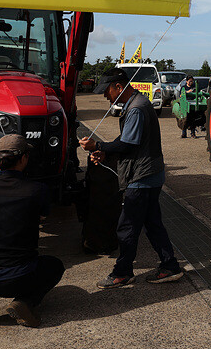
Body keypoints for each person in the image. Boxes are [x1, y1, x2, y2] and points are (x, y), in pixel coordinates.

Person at [80, 67, 184, 288]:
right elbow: (126, 139)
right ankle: (170, 265)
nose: (105, 96)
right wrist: (106, 151)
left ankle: (123, 272)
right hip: (151, 174)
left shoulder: (136, 108)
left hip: (142, 177)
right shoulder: (137, 104)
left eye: (107, 91)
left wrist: (97, 145)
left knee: (126, 227)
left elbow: (128, 144)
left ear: (119, 86)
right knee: (153, 223)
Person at [0, 134, 65, 328]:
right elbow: (42, 216)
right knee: (55, 265)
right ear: (24, 158)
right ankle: (24, 302)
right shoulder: (37, 190)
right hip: (19, 279)